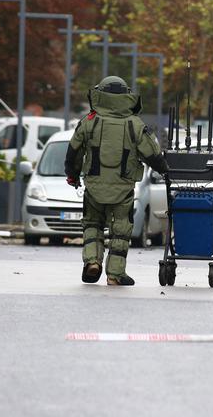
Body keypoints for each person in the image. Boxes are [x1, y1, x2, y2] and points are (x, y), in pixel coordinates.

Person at [64, 76, 169, 286]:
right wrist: (166, 171)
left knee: (92, 224)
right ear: (126, 96)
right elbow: (153, 155)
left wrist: (73, 175)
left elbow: (73, 153)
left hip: (94, 186)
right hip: (123, 188)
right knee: (121, 229)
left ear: (99, 94)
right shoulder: (135, 124)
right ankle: (115, 274)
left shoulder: (89, 122)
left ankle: (92, 261)